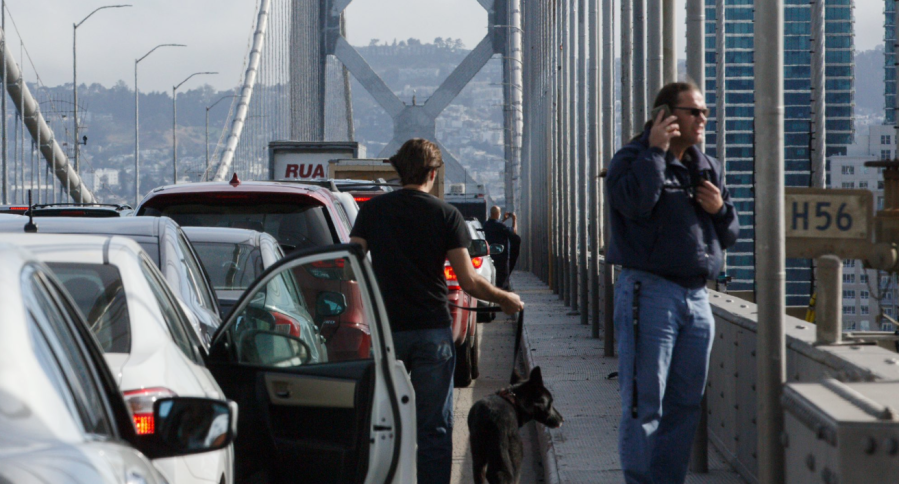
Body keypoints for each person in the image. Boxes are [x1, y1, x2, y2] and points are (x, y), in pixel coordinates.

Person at [350, 138, 524, 484]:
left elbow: (350, 263)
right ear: (433, 173)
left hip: (387, 332)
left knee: (383, 423)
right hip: (432, 331)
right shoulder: (446, 215)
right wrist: (506, 299)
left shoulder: (372, 211)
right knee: (434, 428)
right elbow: (469, 281)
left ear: (399, 172)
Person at [605, 82, 739, 484]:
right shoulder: (631, 159)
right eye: (694, 112)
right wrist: (657, 152)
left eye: (705, 112)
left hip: (698, 298)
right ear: (666, 115)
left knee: (685, 405)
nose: (703, 120)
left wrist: (720, 210)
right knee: (644, 403)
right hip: (650, 292)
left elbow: (730, 233)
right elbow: (634, 204)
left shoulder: (706, 166)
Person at [483, 206, 521, 290]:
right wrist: (514, 220)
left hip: (489, 256)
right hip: (502, 257)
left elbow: (496, 226)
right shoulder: (501, 226)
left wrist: (503, 220)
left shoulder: (486, 224)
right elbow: (513, 232)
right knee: (503, 281)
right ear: (498, 214)